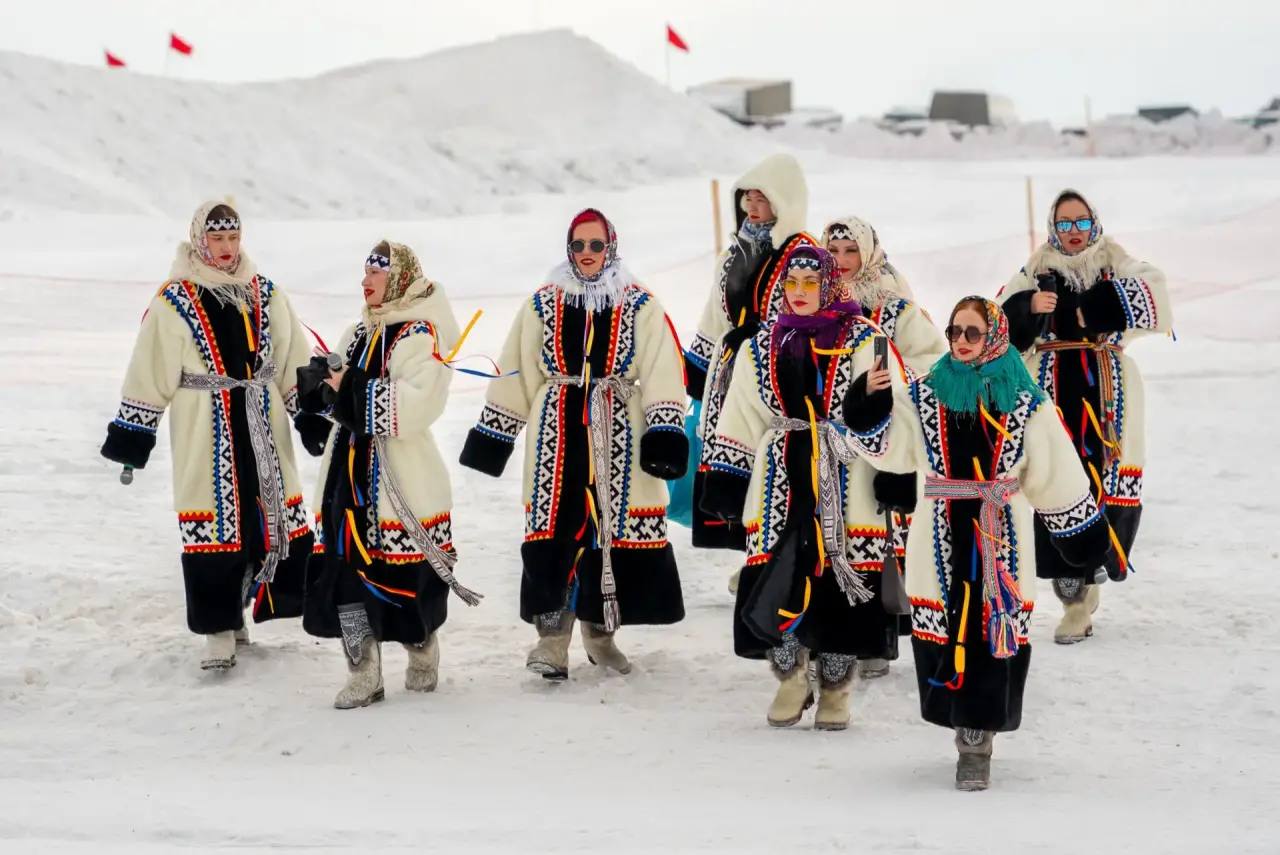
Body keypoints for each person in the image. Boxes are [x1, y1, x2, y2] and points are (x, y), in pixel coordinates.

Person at [843, 296, 1114, 790]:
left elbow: (1053, 466)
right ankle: (959, 720)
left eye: (972, 333)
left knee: (994, 625)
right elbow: (888, 447)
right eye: (954, 332)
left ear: (993, 336)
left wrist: (1082, 533)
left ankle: (977, 738)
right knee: (945, 626)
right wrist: (868, 400)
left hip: (999, 529)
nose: (961, 342)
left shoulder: (1024, 399)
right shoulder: (925, 395)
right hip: (938, 527)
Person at [460, 209, 688, 681]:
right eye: (579, 245)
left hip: (618, 425)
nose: (587, 254)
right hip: (556, 433)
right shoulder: (543, 303)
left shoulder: (640, 303)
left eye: (596, 246)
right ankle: (552, 640)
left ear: (612, 248)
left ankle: (600, 635)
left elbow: (664, 366)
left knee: (611, 531)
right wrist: (494, 435)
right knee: (555, 532)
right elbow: (516, 366)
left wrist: (663, 429)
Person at [101, 200, 326, 671]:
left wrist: (307, 414)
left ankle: (242, 611)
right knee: (216, 523)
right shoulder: (175, 300)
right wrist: (133, 438)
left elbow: (291, 361)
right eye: (217, 239)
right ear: (200, 240)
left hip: (262, 421)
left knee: (263, 519)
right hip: (206, 424)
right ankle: (219, 629)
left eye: (233, 239)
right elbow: (151, 369)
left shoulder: (265, 293)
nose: (226, 249)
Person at [702, 245, 907, 731]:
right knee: (782, 570)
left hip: (848, 470)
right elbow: (742, 413)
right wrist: (727, 481)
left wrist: (893, 470)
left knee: (843, 576)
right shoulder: (760, 345)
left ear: (829, 284)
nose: (798, 293)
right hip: (780, 472)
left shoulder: (866, 339)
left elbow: (894, 412)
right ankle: (791, 676)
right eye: (791, 284)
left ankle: (837, 686)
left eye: (810, 284)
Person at [297, 241, 481, 709]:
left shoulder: (422, 334)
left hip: (399, 478)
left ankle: (421, 648)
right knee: (346, 578)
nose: (366, 283)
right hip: (347, 476)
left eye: (375, 275)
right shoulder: (358, 332)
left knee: (406, 575)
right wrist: (316, 393)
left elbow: (419, 403)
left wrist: (348, 387)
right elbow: (335, 391)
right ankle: (364, 671)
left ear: (398, 278)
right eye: (364, 274)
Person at [998, 190, 1172, 643]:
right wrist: (1027, 310)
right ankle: (1072, 597)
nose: (1073, 232)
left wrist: (1091, 307)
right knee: (1057, 481)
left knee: (1106, 479)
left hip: (1107, 387)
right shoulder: (1034, 271)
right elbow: (996, 325)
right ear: (1053, 228)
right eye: (1064, 223)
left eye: (1080, 222)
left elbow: (1154, 289)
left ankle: (1094, 569)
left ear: (1093, 223)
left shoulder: (1114, 259)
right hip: (1050, 389)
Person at [823, 215, 948, 678]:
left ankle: (878, 637)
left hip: (883, 437)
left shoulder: (894, 308)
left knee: (882, 533)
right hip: (831, 441)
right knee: (837, 535)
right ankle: (835, 632)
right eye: (832, 252)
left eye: (849, 251)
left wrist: (892, 383)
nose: (840, 262)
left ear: (868, 253)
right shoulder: (815, 301)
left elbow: (935, 360)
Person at [684, 153, 815, 552]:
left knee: (769, 463)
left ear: (784, 202)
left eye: (762, 199)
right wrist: (699, 373)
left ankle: (771, 551)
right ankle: (747, 555)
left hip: (779, 376)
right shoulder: (733, 255)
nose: (752, 208)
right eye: (747, 198)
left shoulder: (803, 254)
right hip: (732, 373)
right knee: (732, 457)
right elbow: (714, 315)